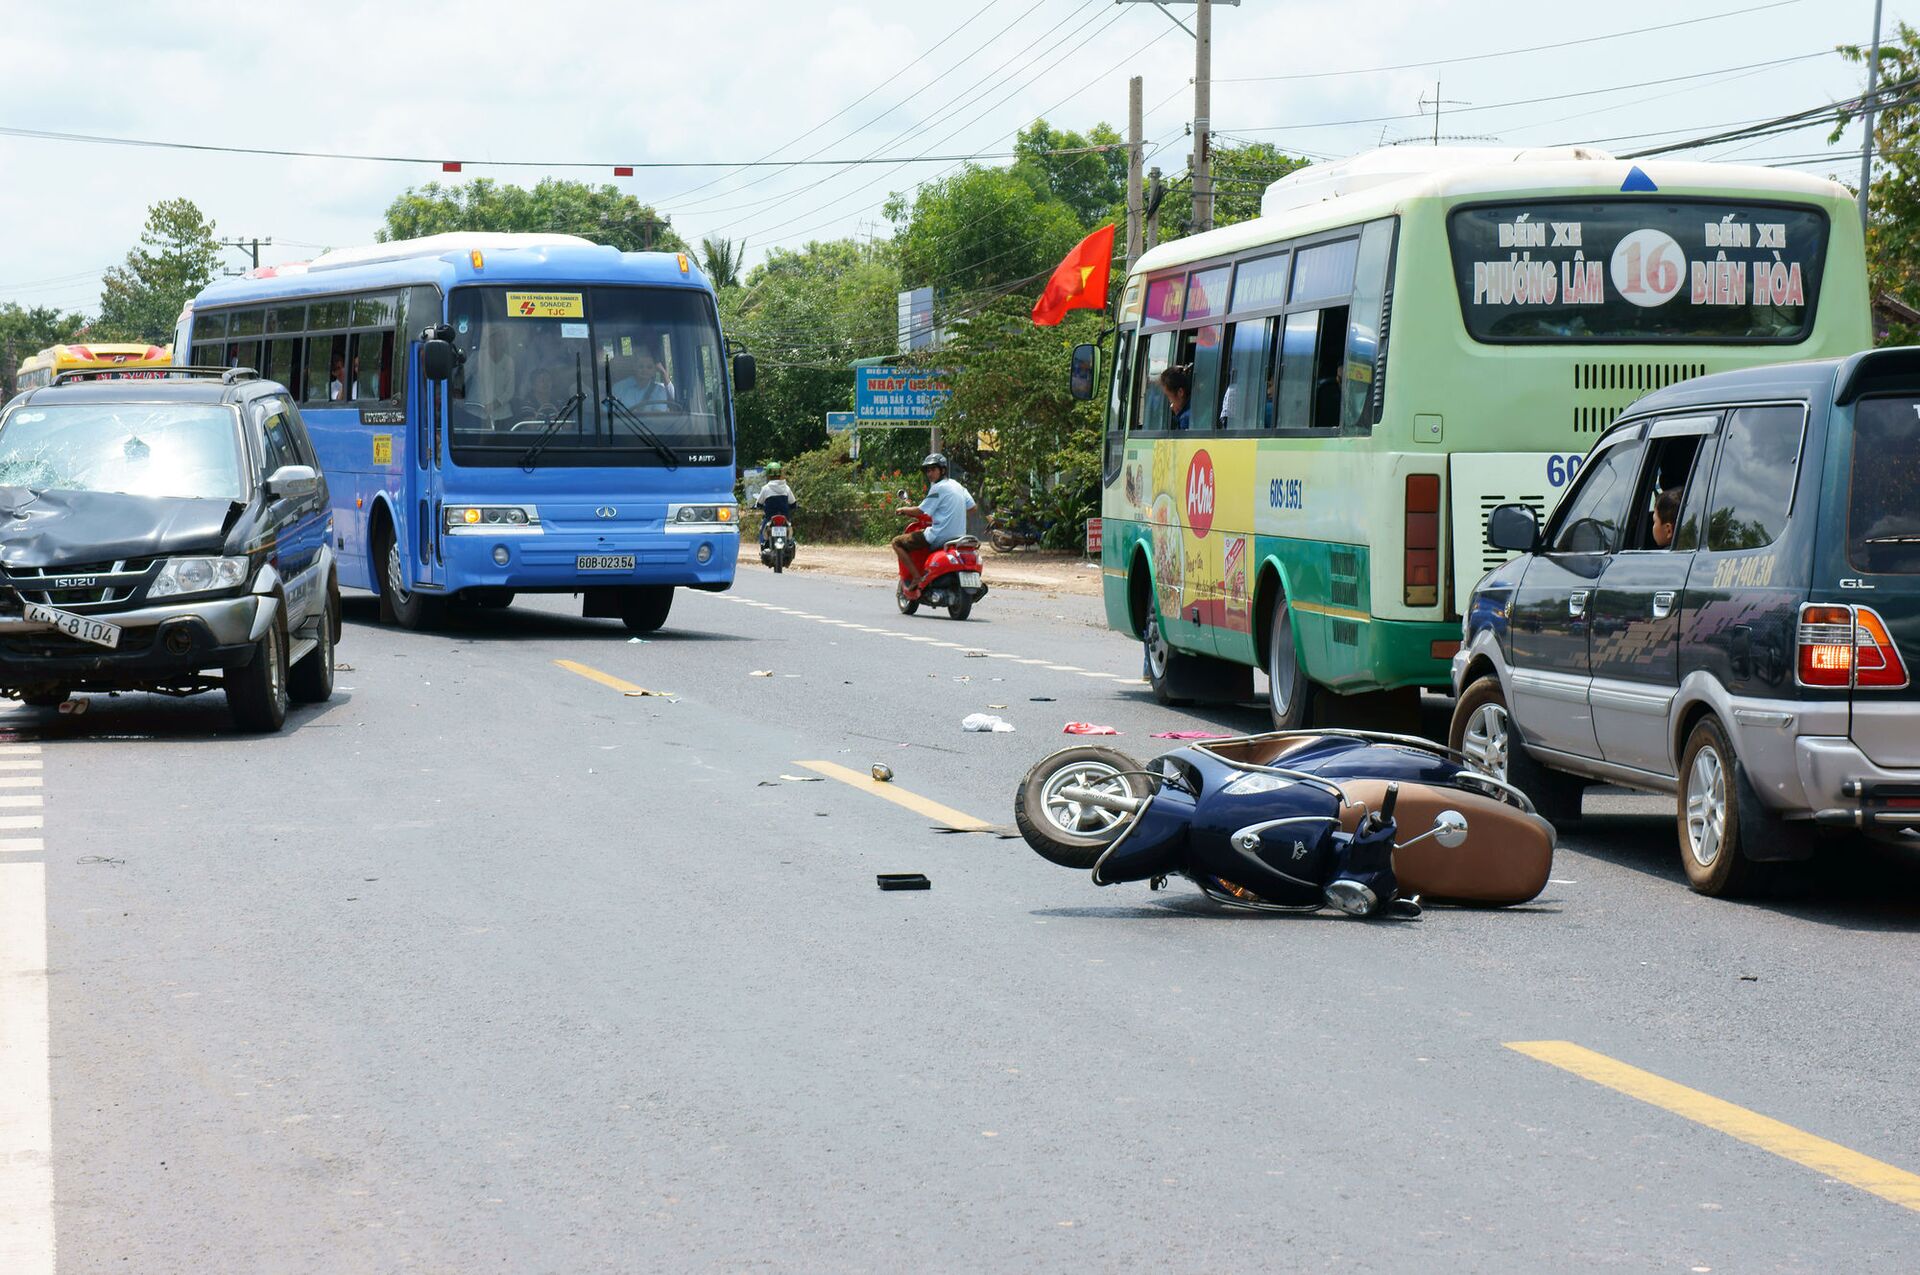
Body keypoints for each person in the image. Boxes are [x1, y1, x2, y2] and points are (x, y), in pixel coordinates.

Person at [893, 451, 975, 591]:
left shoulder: (938, 488)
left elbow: (920, 511)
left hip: (939, 536)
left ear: (942, 470)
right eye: (928, 470)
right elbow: (972, 507)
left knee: (897, 542)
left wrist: (904, 509)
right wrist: (952, 513)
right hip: (959, 536)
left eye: (933, 469)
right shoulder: (958, 486)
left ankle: (917, 577)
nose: (929, 474)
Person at [757, 462, 795, 551]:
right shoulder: (786, 487)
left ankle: (763, 546)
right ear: (780, 473)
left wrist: (757, 506)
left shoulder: (765, 488)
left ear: (768, 475)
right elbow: (793, 503)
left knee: (762, 530)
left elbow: (759, 503)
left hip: (770, 518)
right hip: (785, 517)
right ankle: (791, 543)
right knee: (790, 531)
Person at [1159, 365, 1193, 430]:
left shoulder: (1185, 419)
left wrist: (1178, 415)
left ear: (1180, 392)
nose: (1170, 403)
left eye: (1169, 396)